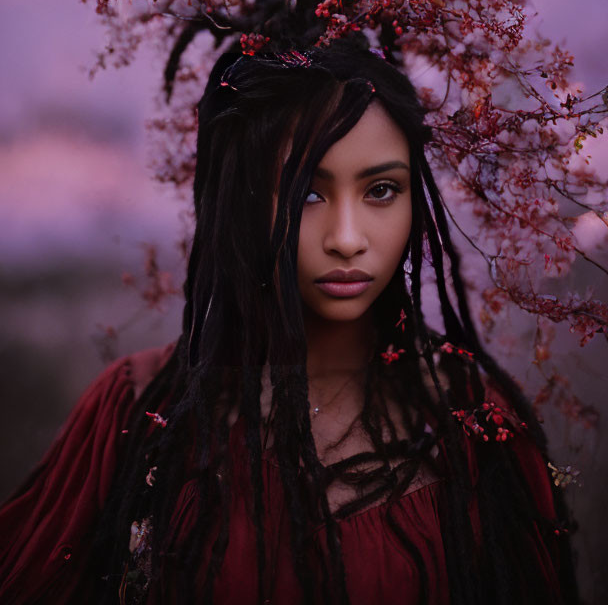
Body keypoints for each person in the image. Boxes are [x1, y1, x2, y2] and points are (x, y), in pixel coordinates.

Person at [0, 43, 579, 605]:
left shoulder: (475, 424)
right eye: (306, 194)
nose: (348, 239)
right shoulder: (134, 413)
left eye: (382, 190)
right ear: (241, 201)